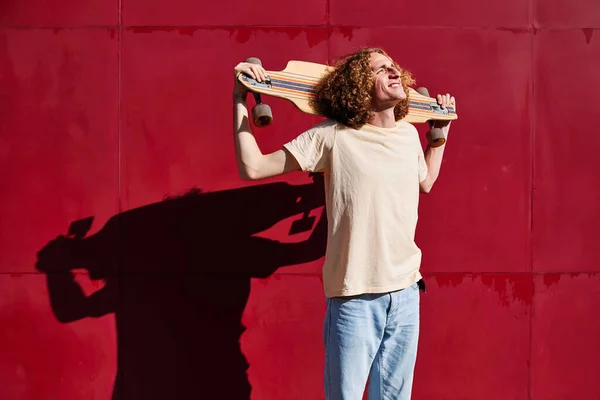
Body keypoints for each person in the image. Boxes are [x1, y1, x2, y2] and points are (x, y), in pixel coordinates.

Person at [232, 47, 455, 400]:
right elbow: (254, 167)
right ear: (359, 85)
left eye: (394, 66)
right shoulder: (333, 136)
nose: (394, 72)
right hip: (355, 299)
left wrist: (438, 134)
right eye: (381, 69)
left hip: (407, 292)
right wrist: (240, 98)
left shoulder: (408, 137)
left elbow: (424, 181)